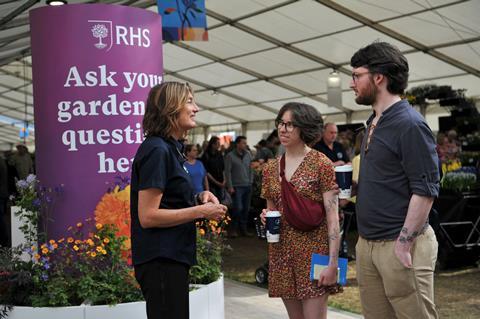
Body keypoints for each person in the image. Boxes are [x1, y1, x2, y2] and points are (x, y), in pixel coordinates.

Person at [350, 42, 440, 319]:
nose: (352, 83)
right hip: (367, 244)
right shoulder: (373, 122)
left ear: (379, 77)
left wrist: (403, 242)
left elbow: (425, 190)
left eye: (356, 75)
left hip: (400, 245)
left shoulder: (409, 124)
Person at [130, 82, 227, 319]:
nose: (196, 108)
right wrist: (202, 211)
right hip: (161, 259)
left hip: (170, 256)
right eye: (190, 101)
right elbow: (148, 216)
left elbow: (168, 200)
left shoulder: (170, 148)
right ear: (170, 108)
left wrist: (198, 198)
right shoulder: (157, 150)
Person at [260, 102, 342, 319]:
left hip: (315, 254)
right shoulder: (270, 169)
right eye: (281, 123)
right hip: (282, 255)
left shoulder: (320, 163)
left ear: (304, 128)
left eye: (290, 125)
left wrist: (333, 263)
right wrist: (265, 218)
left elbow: (333, 220)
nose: (283, 129)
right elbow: (272, 212)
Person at [225, 135, 254, 237]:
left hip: (247, 185)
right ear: (237, 144)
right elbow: (227, 172)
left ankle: (243, 229)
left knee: (246, 208)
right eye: (243, 143)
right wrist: (230, 186)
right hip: (236, 186)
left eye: (245, 143)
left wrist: (250, 181)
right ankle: (233, 229)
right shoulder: (230, 156)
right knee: (238, 208)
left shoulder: (248, 155)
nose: (245, 145)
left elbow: (251, 169)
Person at [201, 136, 225, 201]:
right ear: (212, 144)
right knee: (213, 201)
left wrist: (224, 180)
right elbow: (206, 172)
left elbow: (223, 168)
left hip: (221, 181)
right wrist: (216, 182)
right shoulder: (206, 155)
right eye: (217, 143)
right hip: (211, 184)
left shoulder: (219, 154)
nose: (219, 145)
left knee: (221, 201)